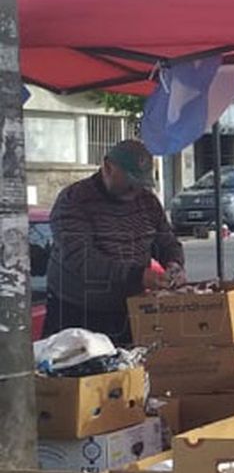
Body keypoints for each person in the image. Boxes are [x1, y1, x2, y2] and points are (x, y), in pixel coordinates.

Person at [45, 139, 185, 345]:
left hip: (129, 309)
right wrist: (136, 275)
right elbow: (81, 259)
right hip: (77, 312)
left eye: (141, 183)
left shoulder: (147, 201)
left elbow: (166, 241)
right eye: (130, 181)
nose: (135, 189)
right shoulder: (74, 200)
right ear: (108, 167)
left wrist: (174, 263)